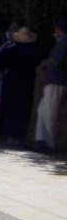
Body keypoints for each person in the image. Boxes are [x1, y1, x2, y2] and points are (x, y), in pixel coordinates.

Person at [0, 26, 41, 147]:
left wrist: (4, 70)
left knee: (10, 109)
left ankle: (9, 135)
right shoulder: (34, 51)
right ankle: (19, 136)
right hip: (27, 83)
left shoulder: (13, 49)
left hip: (12, 82)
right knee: (23, 110)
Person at [33, 19, 67, 152]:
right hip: (52, 80)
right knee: (42, 110)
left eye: (57, 29)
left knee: (50, 112)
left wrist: (45, 63)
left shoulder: (64, 42)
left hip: (57, 80)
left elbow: (57, 60)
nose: (55, 31)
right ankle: (40, 140)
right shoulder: (61, 42)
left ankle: (48, 143)